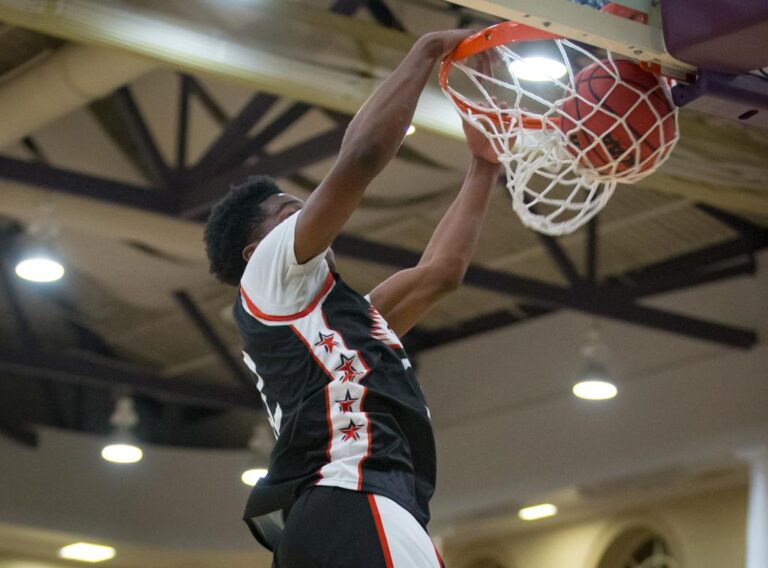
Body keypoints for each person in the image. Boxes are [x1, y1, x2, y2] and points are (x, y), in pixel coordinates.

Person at [204, 29, 502, 568]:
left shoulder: (338, 320)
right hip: (350, 494)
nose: (312, 210)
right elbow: (361, 156)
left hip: (342, 509)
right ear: (257, 250)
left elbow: (441, 273)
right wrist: (429, 49)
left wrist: (483, 166)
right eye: (289, 208)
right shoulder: (268, 277)